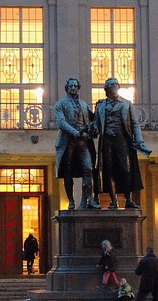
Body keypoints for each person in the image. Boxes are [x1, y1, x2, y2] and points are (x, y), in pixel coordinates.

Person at [92, 77, 150, 210]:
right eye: (110, 85)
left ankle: (128, 199)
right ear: (105, 89)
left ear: (118, 87)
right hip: (106, 140)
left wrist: (139, 139)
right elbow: (96, 123)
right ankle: (113, 201)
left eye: (115, 85)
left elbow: (134, 123)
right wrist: (92, 129)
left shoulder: (126, 103)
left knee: (125, 169)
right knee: (109, 170)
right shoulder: (100, 105)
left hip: (122, 140)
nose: (113, 87)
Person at [54, 77, 99, 209]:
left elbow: (93, 119)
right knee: (67, 172)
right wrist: (76, 132)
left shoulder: (84, 105)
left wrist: (94, 127)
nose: (73, 88)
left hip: (83, 142)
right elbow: (61, 122)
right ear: (66, 88)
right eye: (70, 86)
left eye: (75, 86)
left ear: (78, 87)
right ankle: (71, 201)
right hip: (67, 142)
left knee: (88, 168)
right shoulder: (60, 104)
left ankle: (89, 199)